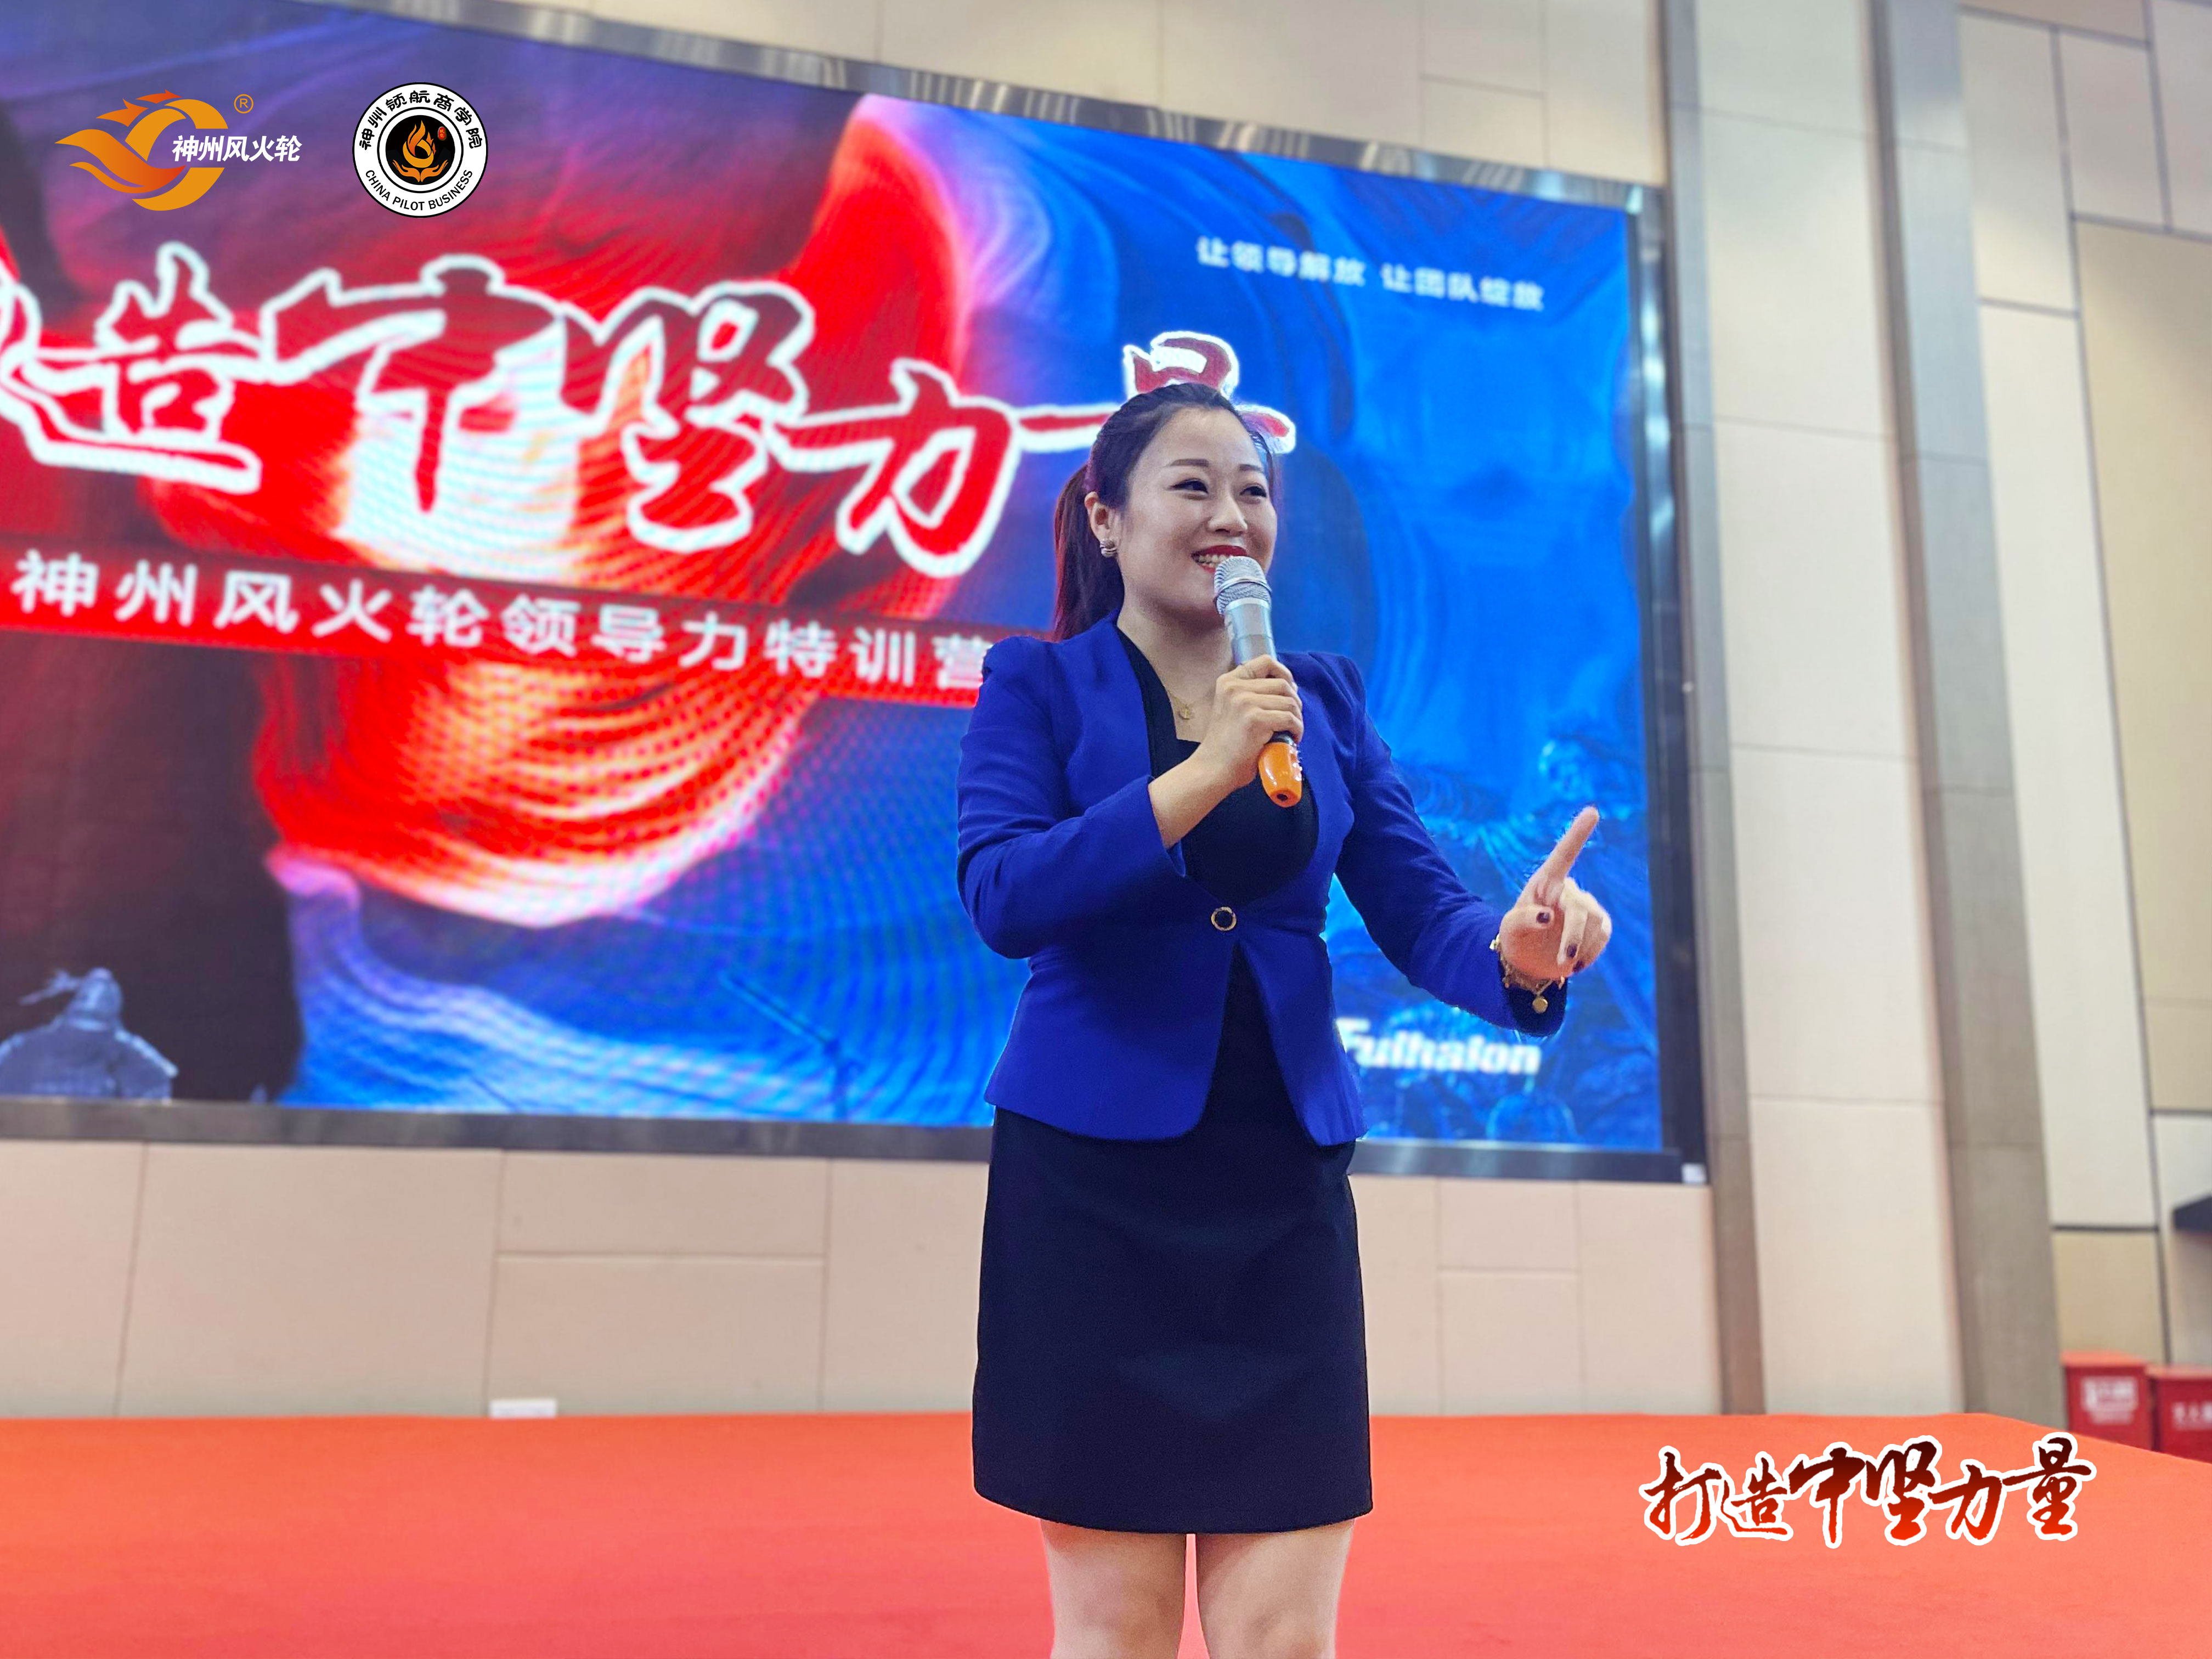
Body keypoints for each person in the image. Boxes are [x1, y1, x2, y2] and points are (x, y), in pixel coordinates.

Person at [955, 380, 1613, 1659]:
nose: (1232, 516)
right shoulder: (1039, 684)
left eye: (1254, 491)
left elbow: (1423, 911)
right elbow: (1005, 893)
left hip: (1279, 1201)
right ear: (1106, 517)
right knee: (1116, 1633)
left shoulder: (1325, 697)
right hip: (1090, 1199)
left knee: (1283, 1639)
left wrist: (1521, 955)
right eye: (1193, 486)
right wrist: (1203, 773)